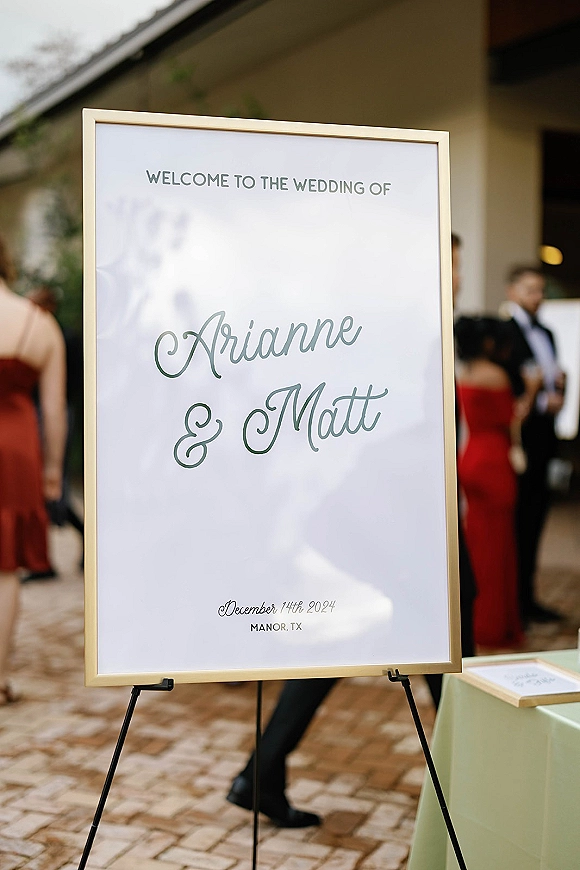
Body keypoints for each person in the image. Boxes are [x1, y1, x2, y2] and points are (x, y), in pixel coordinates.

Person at [0, 235, 66, 704]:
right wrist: (54, 470)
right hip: (18, 448)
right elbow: (55, 408)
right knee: (5, 572)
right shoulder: (39, 323)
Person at [455, 316, 523, 649]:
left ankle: (477, 621)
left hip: (469, 458)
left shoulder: (463, 374)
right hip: (494, 459)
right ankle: (493, 624)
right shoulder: (496, 375)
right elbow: (511, 418)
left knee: (476, 540)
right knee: (497, 545)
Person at [503, 266, 564, 625]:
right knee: (517, 520)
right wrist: (539, 400)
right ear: (512, 291)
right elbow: (511, 388)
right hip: (518, 439)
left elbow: (550, 380)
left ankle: (528, 596)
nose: (536, 297)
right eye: (529, 290)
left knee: (537, 516)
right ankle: (514, 601)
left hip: (544, 436)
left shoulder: (549, 334)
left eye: (540, 290)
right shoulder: (504, 334)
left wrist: (558, 393)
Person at [21, 285, 84, 582]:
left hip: (57, 412)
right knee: (44, 487)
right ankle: (42, 558)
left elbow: (67, 388)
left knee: (53, 486)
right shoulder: (35, 332)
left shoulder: (62, 337)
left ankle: (78, 542)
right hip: (39, 412)